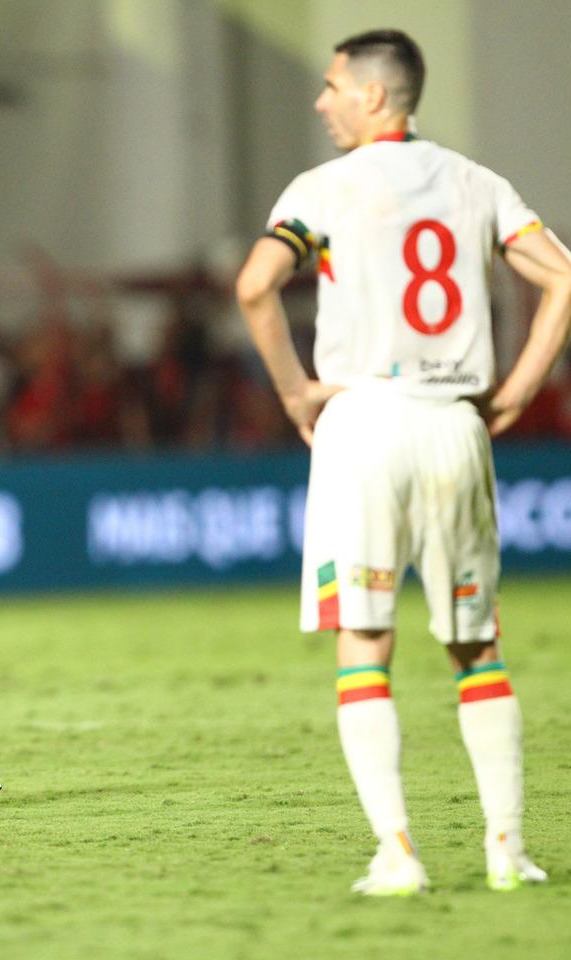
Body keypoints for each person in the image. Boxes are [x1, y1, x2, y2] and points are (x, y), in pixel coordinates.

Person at [237, 29, 571, 895]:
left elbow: (253, 285)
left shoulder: (325, 189)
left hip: (363, 423)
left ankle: (399, 853)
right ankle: (508, 851)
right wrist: (521, 390)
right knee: (476, 643)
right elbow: (563, 278)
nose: (321, 101)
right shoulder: (476, 182)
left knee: (366, 642)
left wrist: (295, 392)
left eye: (332, 86)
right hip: (457, 424)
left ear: (375, 96)